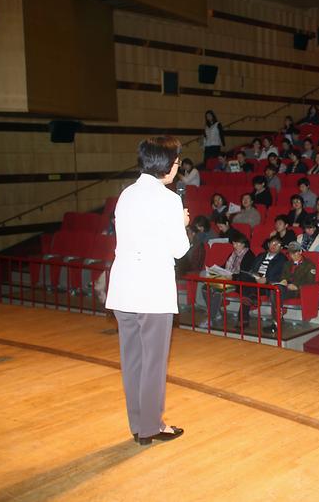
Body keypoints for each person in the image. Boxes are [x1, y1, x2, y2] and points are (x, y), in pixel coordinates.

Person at [106, 136, 190, 445]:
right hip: (151, 291)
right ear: (167, 165)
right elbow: (180, 250)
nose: (178, 169)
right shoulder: (168, 200)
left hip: (123, 289)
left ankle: (138, 425)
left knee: (133, 362)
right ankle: (151, 426)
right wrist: (182, 223)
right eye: (177, 163)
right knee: (153, 364)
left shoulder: (126, 194)